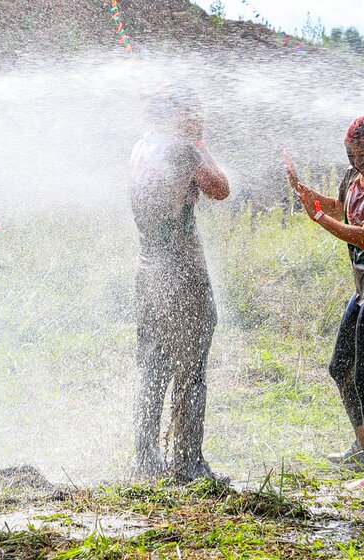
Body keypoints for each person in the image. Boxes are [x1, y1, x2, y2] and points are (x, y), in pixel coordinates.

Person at [284, 115, 364, 489]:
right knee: (341, 368)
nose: (358, 163)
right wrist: (308, 196)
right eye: (351, 155)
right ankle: (362, 447)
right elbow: (342, 210)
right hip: (363, 290)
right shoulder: (352, 178)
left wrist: (318, 218)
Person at [128, 87, 229, 483]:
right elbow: (221, 188)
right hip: (182, 270)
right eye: (195, 113)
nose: (201, 119)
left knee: (153, 365)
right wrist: (200, 143)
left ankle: (146, 459)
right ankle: (188, 464)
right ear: (180, 115)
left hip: (148, 267)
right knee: (190, 368)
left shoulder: (142, 146)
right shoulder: (186, 149)